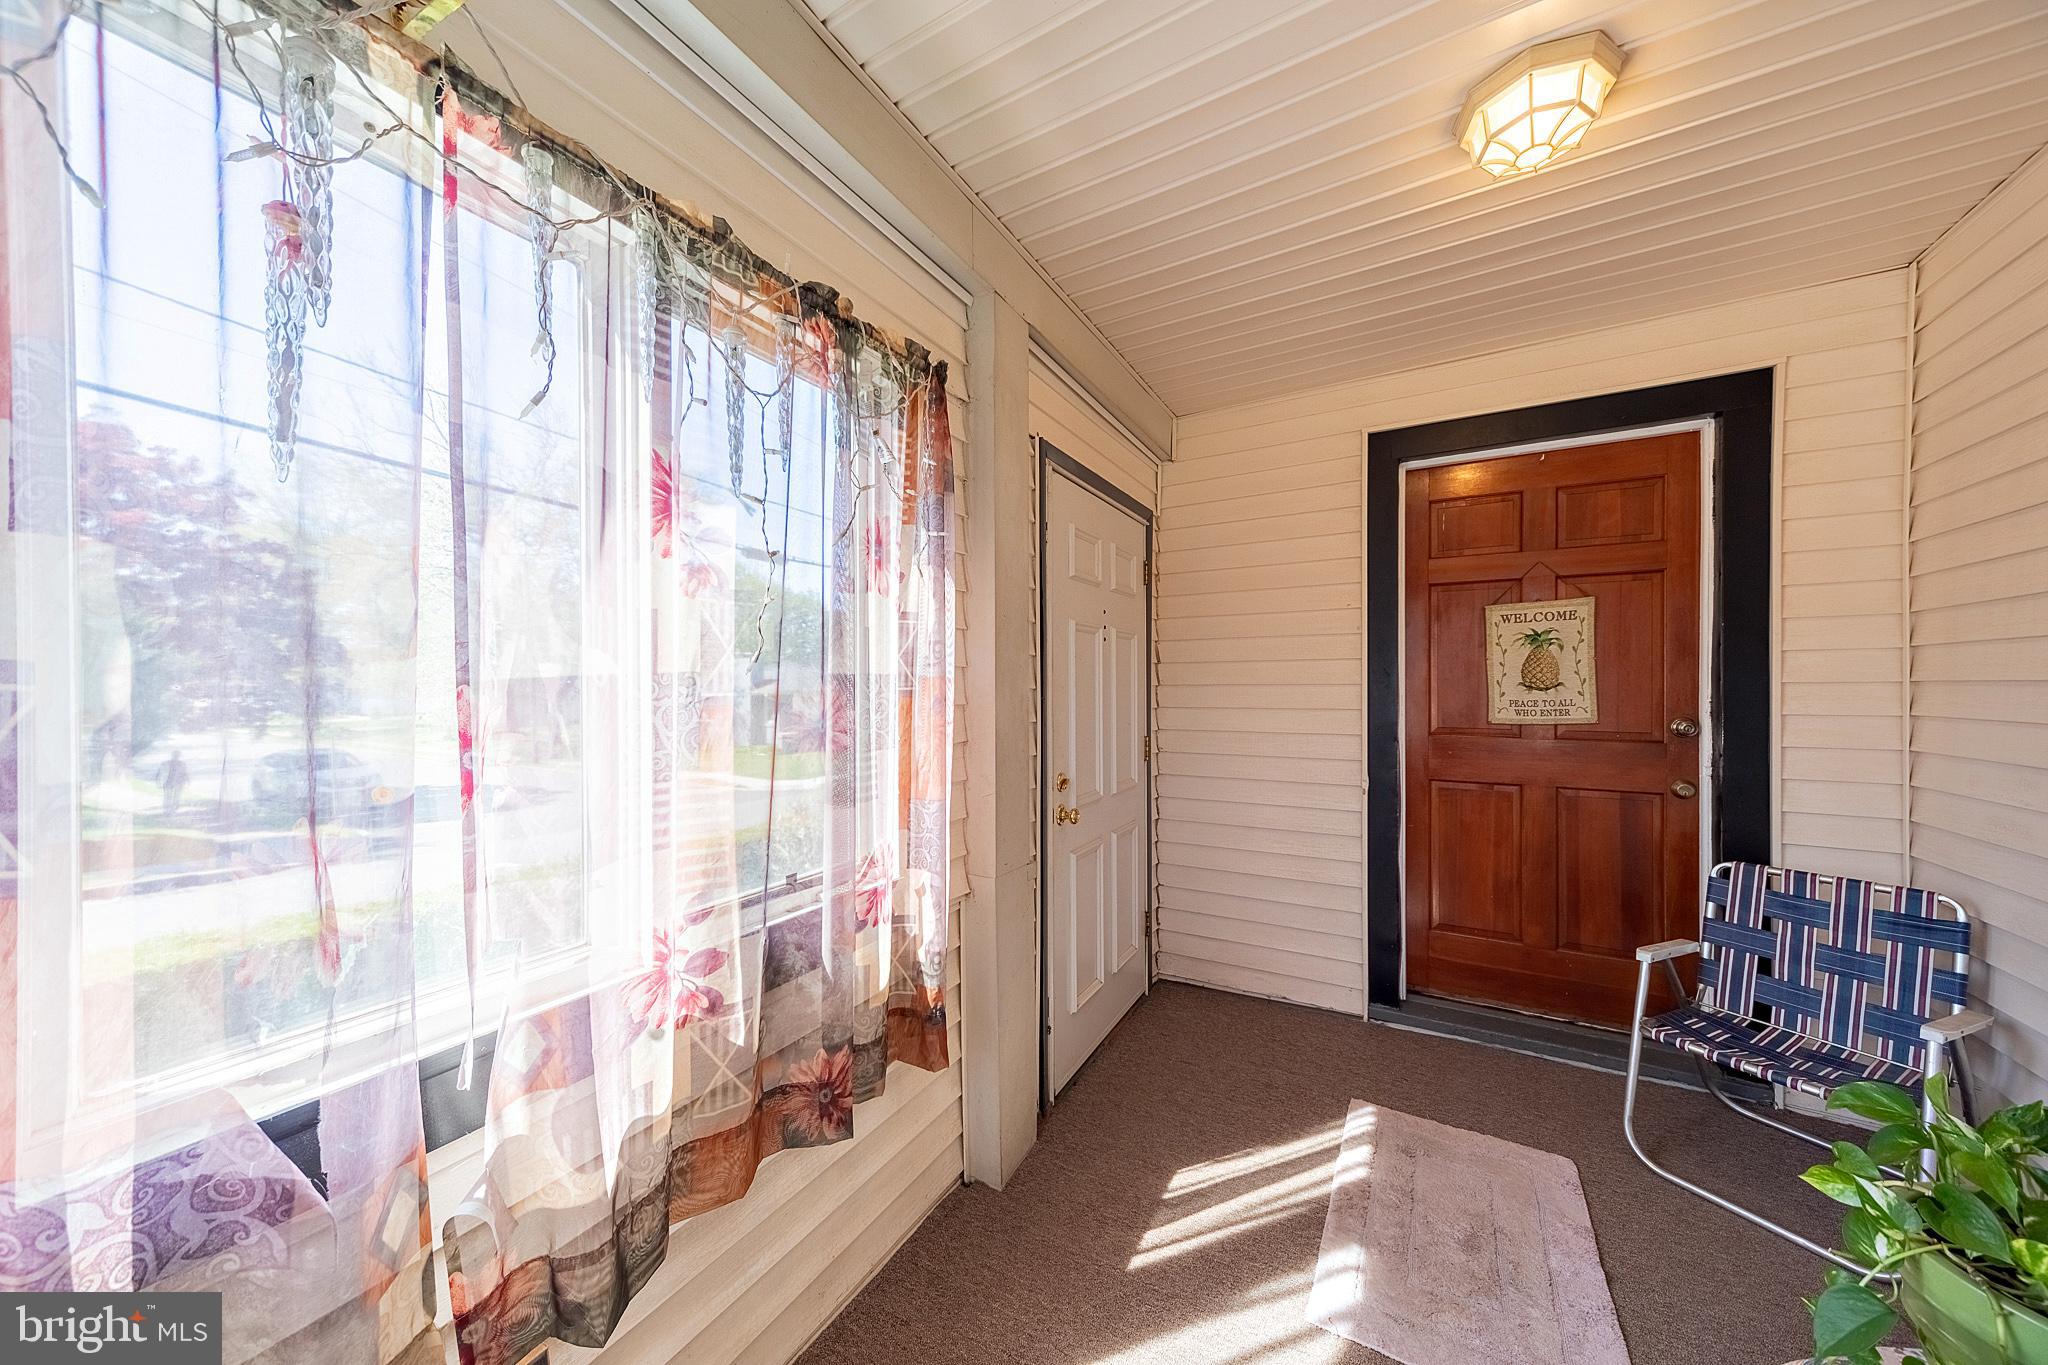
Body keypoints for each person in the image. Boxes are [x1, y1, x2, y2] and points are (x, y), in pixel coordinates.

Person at [158, 749, 189, 818]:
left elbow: (185, 773)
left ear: (179, 756)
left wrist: (187, 781)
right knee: (167, 797)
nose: (176, 757)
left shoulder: (182, 764)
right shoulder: (165, 763)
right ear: (172, 755)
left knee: (176, 797)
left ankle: (173, 811)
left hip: (178, 783)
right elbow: (160, 773)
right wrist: (160, 782)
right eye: (175, 755)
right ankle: (166, 811)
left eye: (177, 755)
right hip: (168, 782)